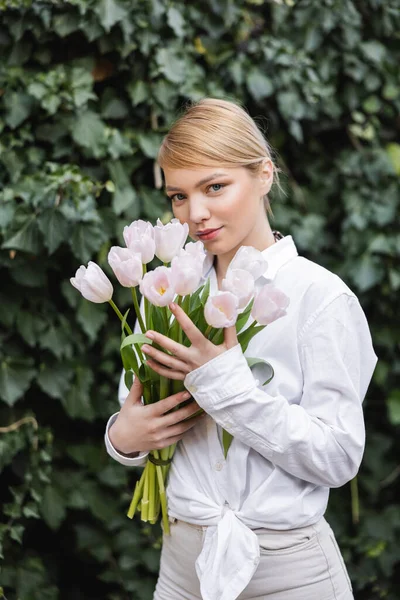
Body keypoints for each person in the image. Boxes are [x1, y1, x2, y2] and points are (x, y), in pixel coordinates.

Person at [105, 98, 378, 600]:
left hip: (290, 574)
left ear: (264, 175)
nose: (196, 214)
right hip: (182, 567)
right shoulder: (167, 291)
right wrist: (123, 438)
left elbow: (339, 456)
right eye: (178, 197)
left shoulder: (319, 298)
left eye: (214, 187)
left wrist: (225, 384)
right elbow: (136, 414)